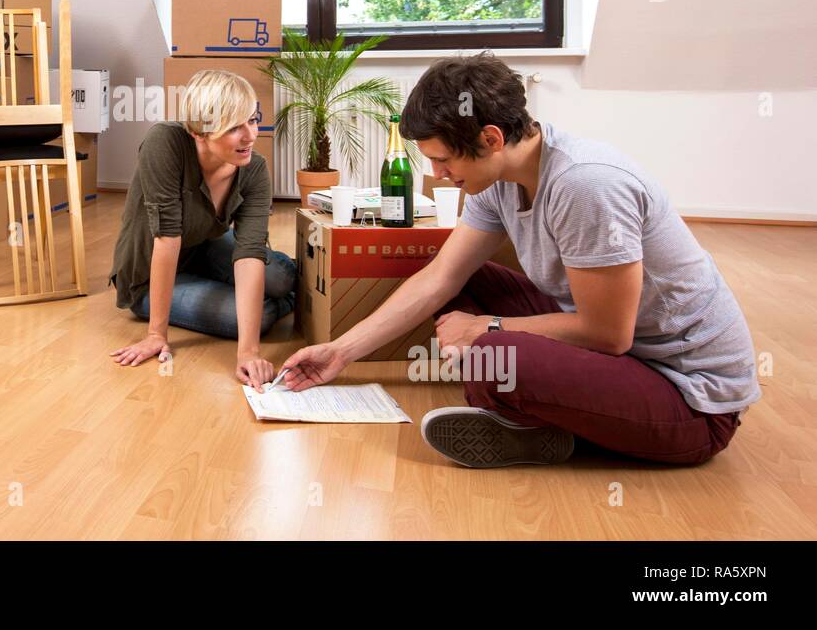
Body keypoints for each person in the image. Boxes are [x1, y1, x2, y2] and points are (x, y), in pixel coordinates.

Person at [279, 52, 761, 468]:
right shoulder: (501, 179)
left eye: (444, 160)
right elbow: (439, 279)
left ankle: (543, 419)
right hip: (616, 351)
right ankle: (542, 409)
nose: (438, 175)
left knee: (492, 359)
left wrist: (485, 328)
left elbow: (609, 335)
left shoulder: (585, 185)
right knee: (465, 281)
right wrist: (340, 352)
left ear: (490, 138)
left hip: (689, 399)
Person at [108, 69, 297, 389]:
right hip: (147, 274)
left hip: (204, 246)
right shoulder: (164, 143)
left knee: (282, 278)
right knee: (259, 318)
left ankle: (290, 288)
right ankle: (292, 299)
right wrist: (156, 334)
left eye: (252, 120)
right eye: (234, 127)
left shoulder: (255, 170)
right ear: (199, 132)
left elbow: (249, 252)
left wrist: (248, 352)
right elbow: (167, 239)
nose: (251, 135)